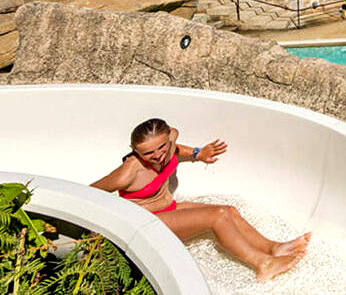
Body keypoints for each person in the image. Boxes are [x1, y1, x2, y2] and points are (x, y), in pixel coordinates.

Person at [92, 118, 309, 282]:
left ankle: (273, 248)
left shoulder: (169, 142)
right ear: (134, 151)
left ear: (168, 138)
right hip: (149, 223)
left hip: (170, 209)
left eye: (161, 147)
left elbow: (175, 149)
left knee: (229, 210)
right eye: (148, 153)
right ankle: (264, 264)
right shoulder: (128, 172)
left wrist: (198, 153)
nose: (158, 155)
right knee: (218, 216)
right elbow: (90, 193)